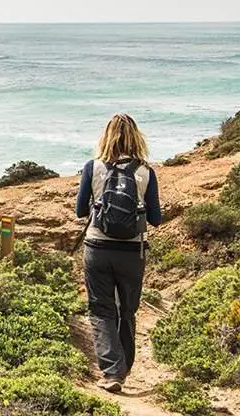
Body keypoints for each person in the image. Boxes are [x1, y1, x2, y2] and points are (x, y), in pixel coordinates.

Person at [75, 113, 162, 393]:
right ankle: (123, 368)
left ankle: (112, 372)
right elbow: (157, 218)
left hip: (97, 248)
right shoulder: (146, 172)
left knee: (101, 309)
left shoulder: (93, 167)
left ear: (105, 136)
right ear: (137, 138)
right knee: (128, 310)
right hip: (132, 252)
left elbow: (80, 211)